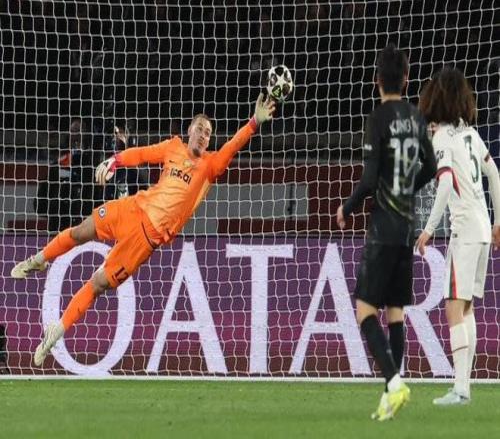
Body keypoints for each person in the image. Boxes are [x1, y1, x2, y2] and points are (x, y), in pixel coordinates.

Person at [11, 93, 275, 367]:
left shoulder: (210, 165)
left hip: (146, 240)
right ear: (189, 130)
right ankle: (38, 260)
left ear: (209, 141)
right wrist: (114, 161)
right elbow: (142, 154)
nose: (202, 135)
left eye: (207, 133)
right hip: (134, 208)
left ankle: (56, 332)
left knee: (98, 284)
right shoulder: (173, 146)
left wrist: (254, 122)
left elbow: (232, 146)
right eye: (199, 129)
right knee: (80, 232)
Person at [336, 44, 437, 421]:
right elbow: (431, 166)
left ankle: (394, 383)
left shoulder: (378, 118)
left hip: (382, 228)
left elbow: (368, 179)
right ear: (406, 79)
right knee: (395, 311)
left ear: (377, 80)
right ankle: (390, 396)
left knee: (364, 309)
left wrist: (346, 207)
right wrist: (408, 188)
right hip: (407, 228)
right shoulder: (416, 116)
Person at [415, 67, 500, 405]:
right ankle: (464, 386)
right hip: (483, 229)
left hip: (464, 231)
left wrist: (428, 229)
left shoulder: (442, 139)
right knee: (466, 309)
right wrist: (498, 221)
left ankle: (461, 389)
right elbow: (494, 174)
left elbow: (447, 183)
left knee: (453, 308)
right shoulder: (471, 135)